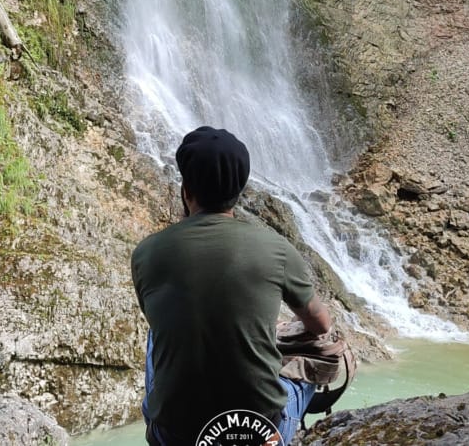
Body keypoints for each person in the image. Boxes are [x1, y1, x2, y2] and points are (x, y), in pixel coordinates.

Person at [131, 125, 332, 446]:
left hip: (176, 435)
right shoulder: (275, 248)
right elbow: (321, 325)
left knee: (156, 334)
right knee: (316, 365)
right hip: (257, 434)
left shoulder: (146, 252)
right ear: (240, 191)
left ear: (186, 190)